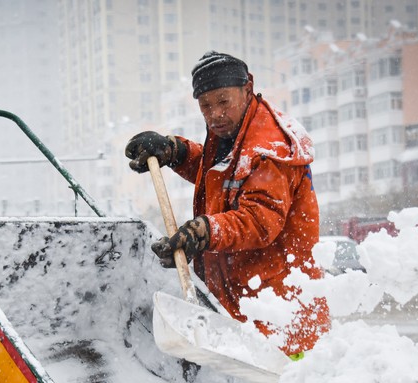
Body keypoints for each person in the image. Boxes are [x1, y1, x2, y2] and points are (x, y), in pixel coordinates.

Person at [124, 51, 329, 357]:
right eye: (205, 106)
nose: (214, 114)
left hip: (280, 316)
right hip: (244, 303)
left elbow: (260, 221)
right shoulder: (233, 132)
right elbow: (220, 180)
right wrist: (175, 152)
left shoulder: (268, 149)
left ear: (248, 89)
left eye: (223, 101)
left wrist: (204, 232)